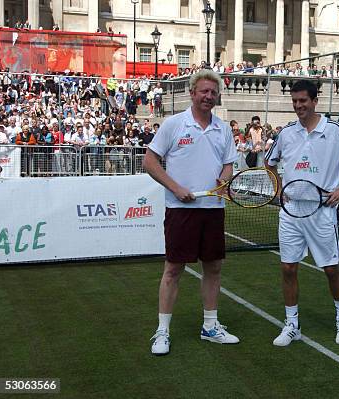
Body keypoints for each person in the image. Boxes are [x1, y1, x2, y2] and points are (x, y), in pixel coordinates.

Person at [264, 79, 339, 346]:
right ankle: (291, 325)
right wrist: (277, 190)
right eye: (295, 101)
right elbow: (269, 162)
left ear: (314, 101)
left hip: (322, 211)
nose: (299, 106)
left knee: (331, 269)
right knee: (288, 267)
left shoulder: (335, 130)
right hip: (291, 211)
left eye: (303, 101)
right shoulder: (287, 133)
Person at [143, 70, 240, 356]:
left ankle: (210, 326)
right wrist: (176, 188)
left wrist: (224, 180)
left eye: (213, 92)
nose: (209, 96)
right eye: (204, 91)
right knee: (173, 269)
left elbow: (228, 164)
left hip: (212, 209)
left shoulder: (223, 129)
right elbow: (150, 162)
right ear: (192, 93)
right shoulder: (174, 124)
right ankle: (162, 331)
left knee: (213, 268)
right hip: (180, 210)